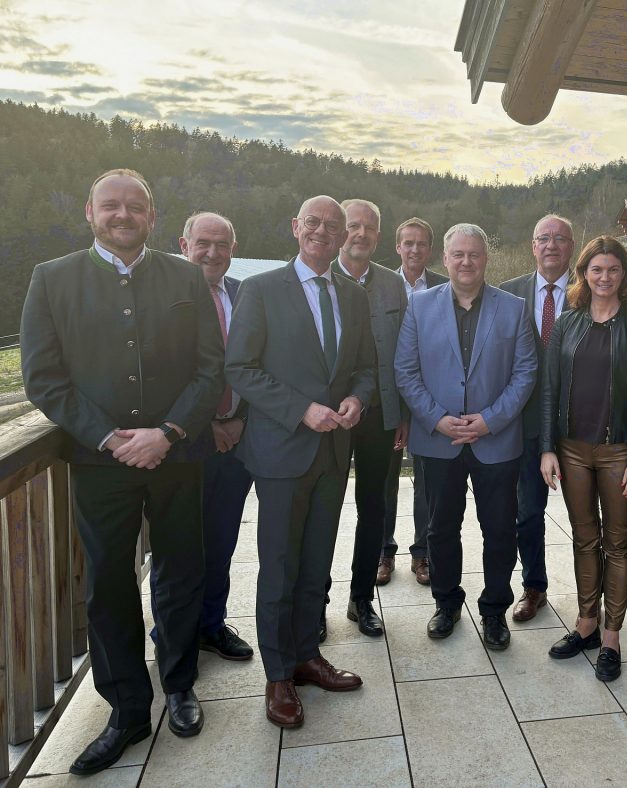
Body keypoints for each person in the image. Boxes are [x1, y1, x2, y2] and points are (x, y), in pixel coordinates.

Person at [20, 169, 223, 774]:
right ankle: (127, 709)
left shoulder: (185, 275)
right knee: (108, 584)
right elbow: (43, 378)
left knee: (182, 570)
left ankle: (181, 684)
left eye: (136, 206)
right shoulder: (52, 280)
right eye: (111, 205)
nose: (123, 215)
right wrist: (110, 436)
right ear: (89, 211)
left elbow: (211, 370)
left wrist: (168, 432)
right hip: (99, 462)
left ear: (153, 217)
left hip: (177, 453)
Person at [225, 195, 376, 729]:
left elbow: (364, 367)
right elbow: (239, 367)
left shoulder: (353, 298)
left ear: (342, 238)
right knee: (281, 567)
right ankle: (278, 675)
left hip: (334, 453)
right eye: (312, 223)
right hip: (283, 451)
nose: (321, 232)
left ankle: (307, 656)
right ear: (295, 228)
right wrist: (300, 409)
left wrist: (357, 398)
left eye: (332, 227)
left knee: (316, 563)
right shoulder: (260, 290)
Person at [394, 223, 536, 649]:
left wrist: (490, 419)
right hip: (438, 440)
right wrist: (436, 418)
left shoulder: (513, 308)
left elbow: (526, 372)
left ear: (485, 259)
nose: (466, 262)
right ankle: (446, 603)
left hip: (496, 441)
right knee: (440, 530)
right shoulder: (419, 307)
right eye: (458, 254)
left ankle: (494, 611)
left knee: (499, 531)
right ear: (445, 258)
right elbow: (406, 370)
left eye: (474, 254)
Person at [539, 236, 627, 681]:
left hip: (618, 453)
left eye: (612, 270)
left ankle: (612, 636)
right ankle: (586, 624)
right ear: (584, 275)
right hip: (571, 449)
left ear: (624, 276)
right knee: (583, 538)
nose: (604, 277)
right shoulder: (567, 326)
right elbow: (549, 391)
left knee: (618, 542)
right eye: (596, 270)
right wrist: (547, 447)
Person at [321, 198, 408, 640]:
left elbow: (407, 355)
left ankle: (361, 600)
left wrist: (405, 415)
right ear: (339, 232)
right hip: (332, 416)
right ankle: (315, 602)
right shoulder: (319, 278)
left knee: (374, 507)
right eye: (352, 226)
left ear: (379, 235)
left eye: (368, 228)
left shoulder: (394, 286)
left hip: (382, 415)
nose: (360, 234)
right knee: (323, 509)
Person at [175, 211, 255, 660]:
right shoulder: (165, 299)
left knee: (222, 539)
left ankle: (211, 623)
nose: (212, 252)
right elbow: (162, 376)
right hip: (184, 445)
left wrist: (240, 419)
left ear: (233, 250)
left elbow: (261, 364)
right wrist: (205, 425)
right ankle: (177, 635)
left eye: (222, 245)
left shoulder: (243, 295)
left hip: (236, 441)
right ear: (184, 244)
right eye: (203, 242)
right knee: (181, 546)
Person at [500, 215, 575, 622]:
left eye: (559, 239)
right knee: (526, 512)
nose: (551, 245)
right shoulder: (507, 295)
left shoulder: (590, 293)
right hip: (525, 424)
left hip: (580, 424)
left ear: (571, 246)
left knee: (588, 517)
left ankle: (593, 599)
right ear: (532, 246)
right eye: (543, 238)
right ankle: (533, 587)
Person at [379, 217, 448, 586]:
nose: (415, 250)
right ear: (397, 247)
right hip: (387, 399)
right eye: (408, 243)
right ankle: (383, 552)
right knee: (384, 479)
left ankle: (422, 553)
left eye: (421, 244)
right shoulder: (381, 285)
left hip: (428, 401)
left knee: (426, 482)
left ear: (431, 249)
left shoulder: (444, 286)